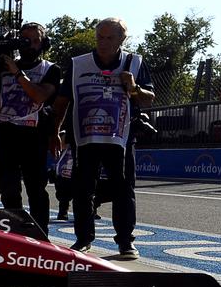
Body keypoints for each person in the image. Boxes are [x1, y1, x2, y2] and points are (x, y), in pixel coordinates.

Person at [58, 17, 154, 259]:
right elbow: (62, 100)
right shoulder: (78, 64)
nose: (103, 42)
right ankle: (83, 239)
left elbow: (148, 98)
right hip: (85, 136)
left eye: (109, 37)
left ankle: (125, 242)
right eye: (100, 37)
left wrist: (133, 88)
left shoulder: (134, 63)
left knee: (124, 188)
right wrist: (54, 131)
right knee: (82, 188)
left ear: (122, 39)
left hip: (120, 137)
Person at [0, 22, 61, 231]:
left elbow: (39, 96)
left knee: (36, 188)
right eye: (25, 40)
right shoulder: (5, 67)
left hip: (33, 135)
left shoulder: (51, 69)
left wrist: (17, 72)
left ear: (43, 43)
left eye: (35, 41)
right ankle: (16, 234)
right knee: (9, 189)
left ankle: (40, 233)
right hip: (5, 132)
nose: (30, 45)